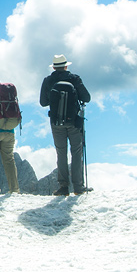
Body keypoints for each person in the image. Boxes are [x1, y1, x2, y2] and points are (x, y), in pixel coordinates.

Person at [39, 55, 92, 196]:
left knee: (61, 153)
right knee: (76, 152)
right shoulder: (74, 79)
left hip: (56, 122)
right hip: (74, 122)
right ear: (66, 66)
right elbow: (86, 97)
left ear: (54, 67)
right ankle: (78, 187)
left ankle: (63, 187)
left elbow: (43, 102)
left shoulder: (48, 80)